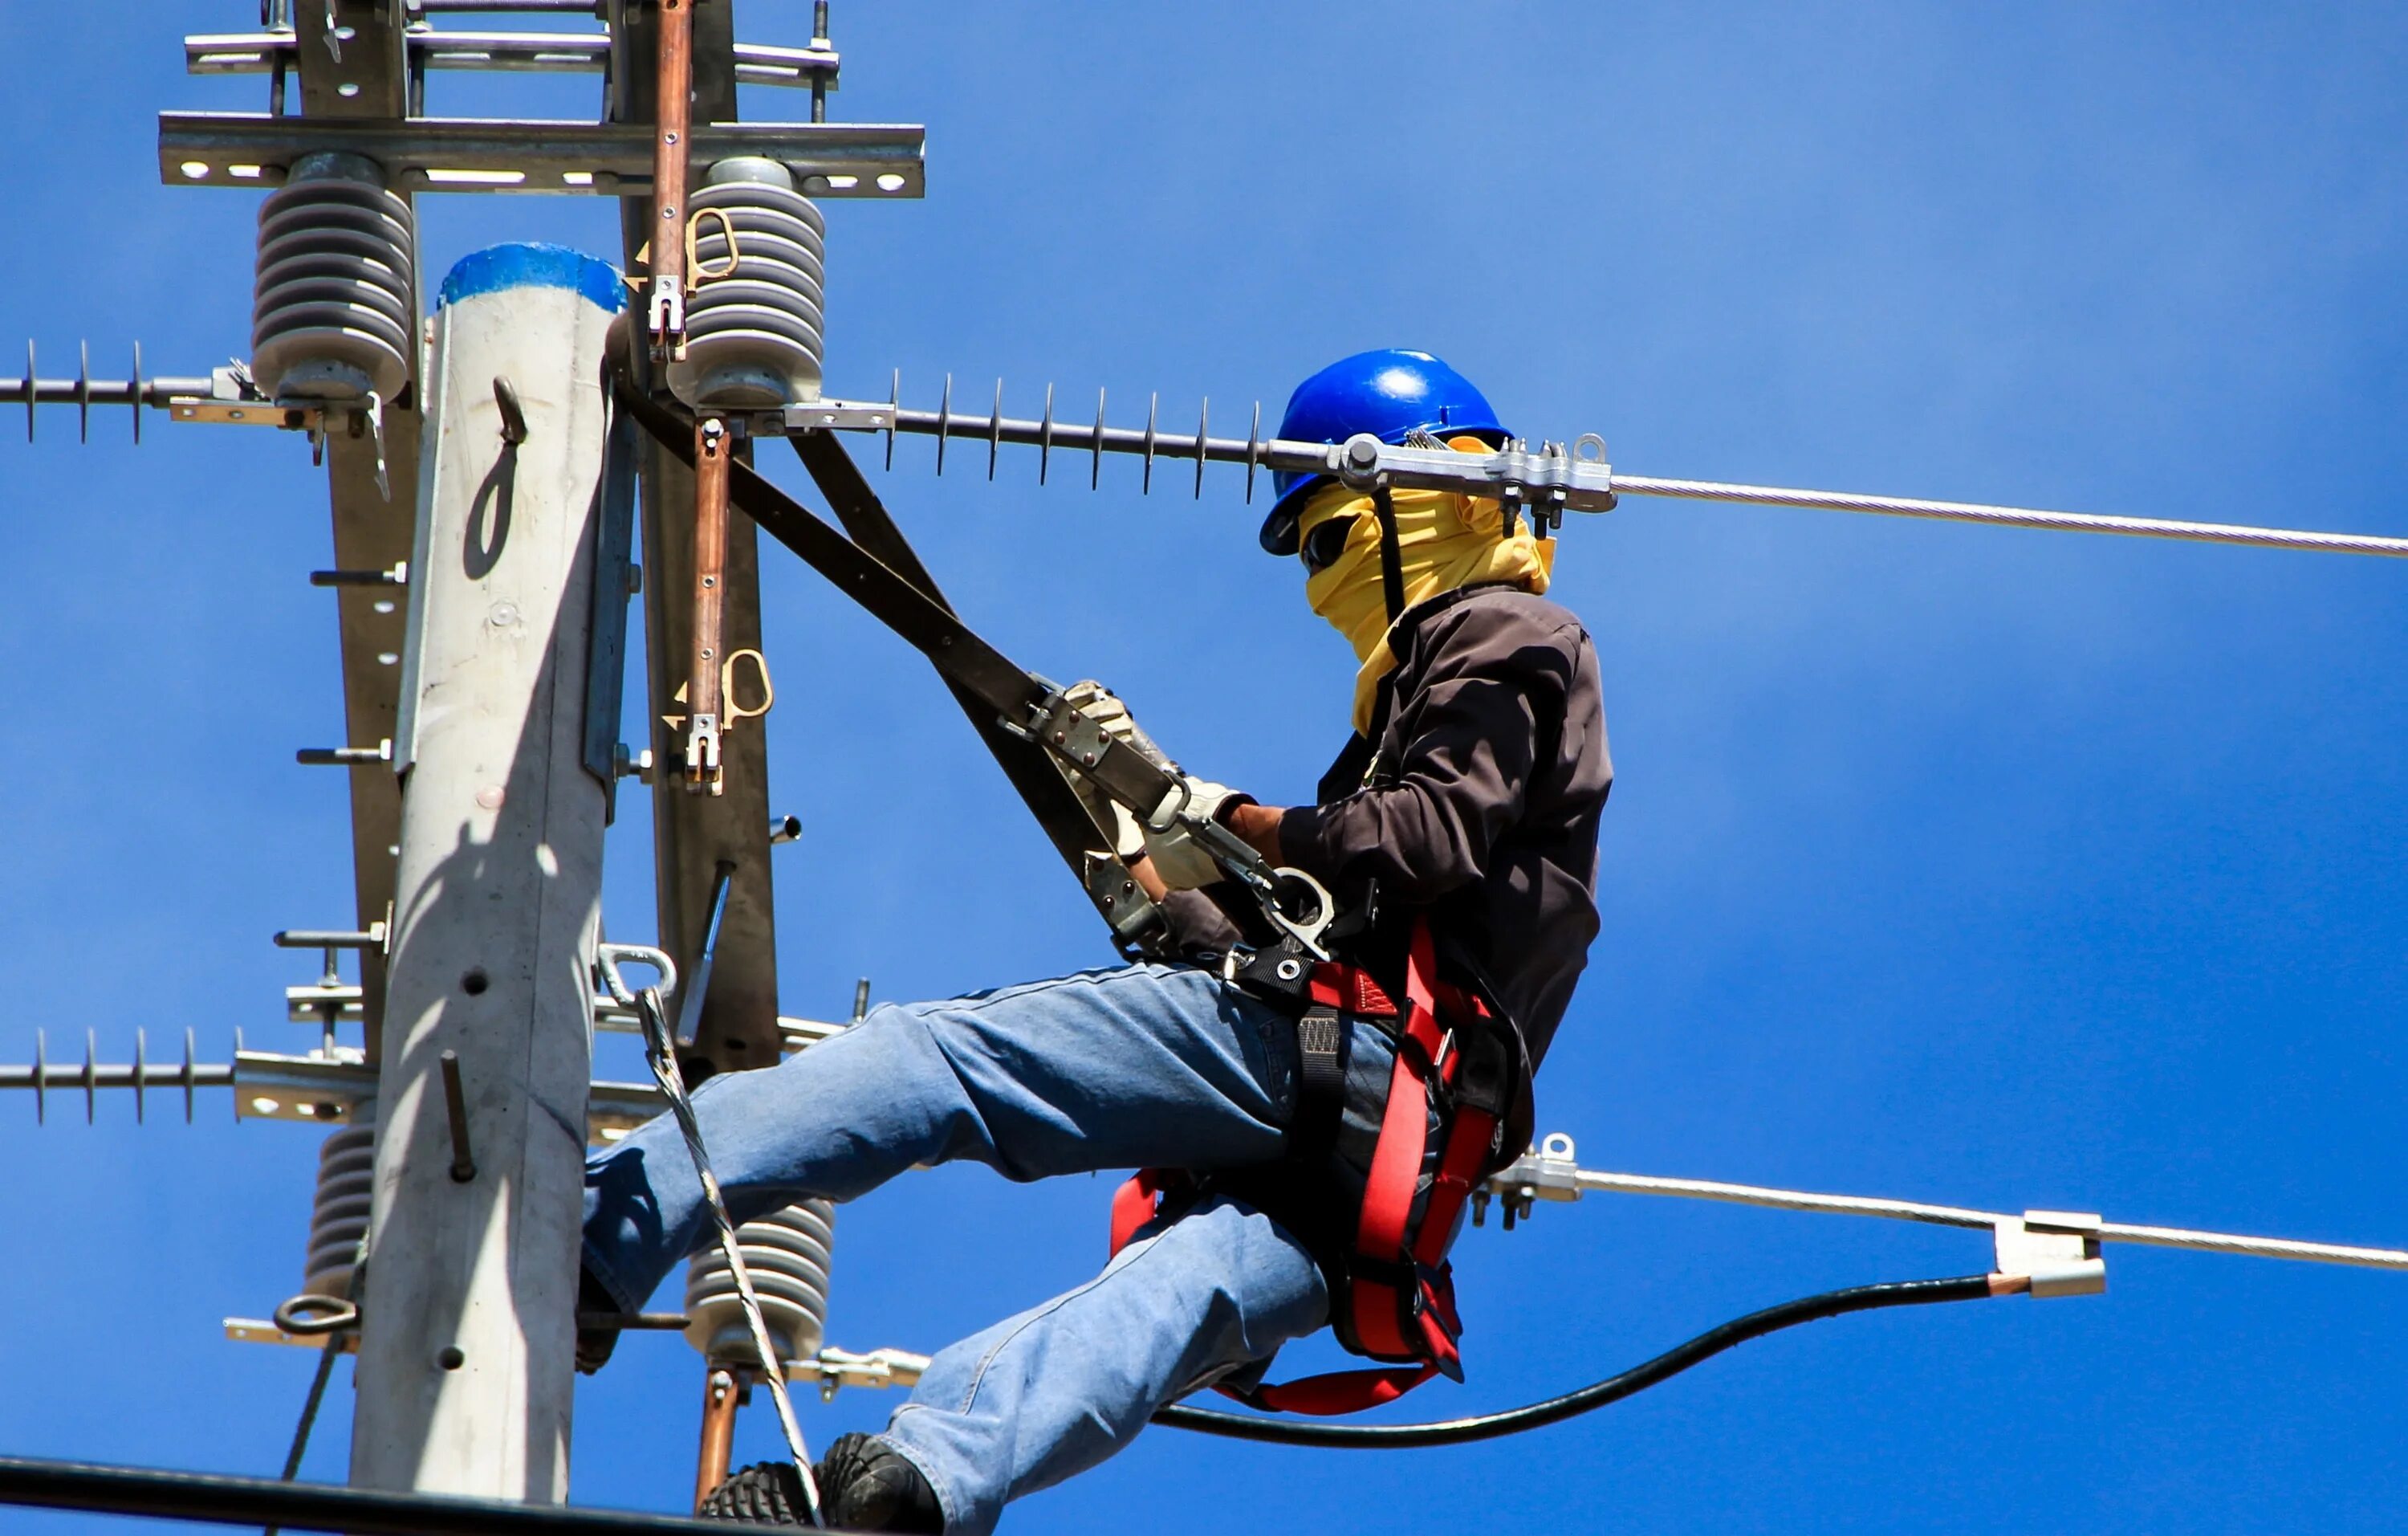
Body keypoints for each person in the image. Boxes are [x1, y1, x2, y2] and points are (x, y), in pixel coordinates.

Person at [578, 348, 1613, 1534]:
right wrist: (1165, 874)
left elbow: (1425, 837)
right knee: (1159, 1305)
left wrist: (1228, 818)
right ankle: (908, 1491)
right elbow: (1375, 904)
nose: (1322, 585)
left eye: (1329, 540)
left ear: (1421, 492)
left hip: (1344, 1053)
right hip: (1401, 1160)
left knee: (943, 1063)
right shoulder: (1459, 698)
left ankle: (603, 1230)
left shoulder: (1506, 631)